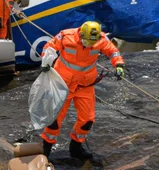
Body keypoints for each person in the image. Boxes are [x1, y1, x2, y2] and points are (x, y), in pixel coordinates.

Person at [39, 21, 125, 160]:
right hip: (63, 84)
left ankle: (76, 147)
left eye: (92, 42)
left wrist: (119, 65)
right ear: (80, 34)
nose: (89, 44)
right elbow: (49, 47)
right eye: (86, 41)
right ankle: (46, 149)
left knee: (87, 120)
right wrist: (46, 62)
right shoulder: (66, 36)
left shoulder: (101, 39)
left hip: (85, 86)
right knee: (54, 119)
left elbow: (113, 51)